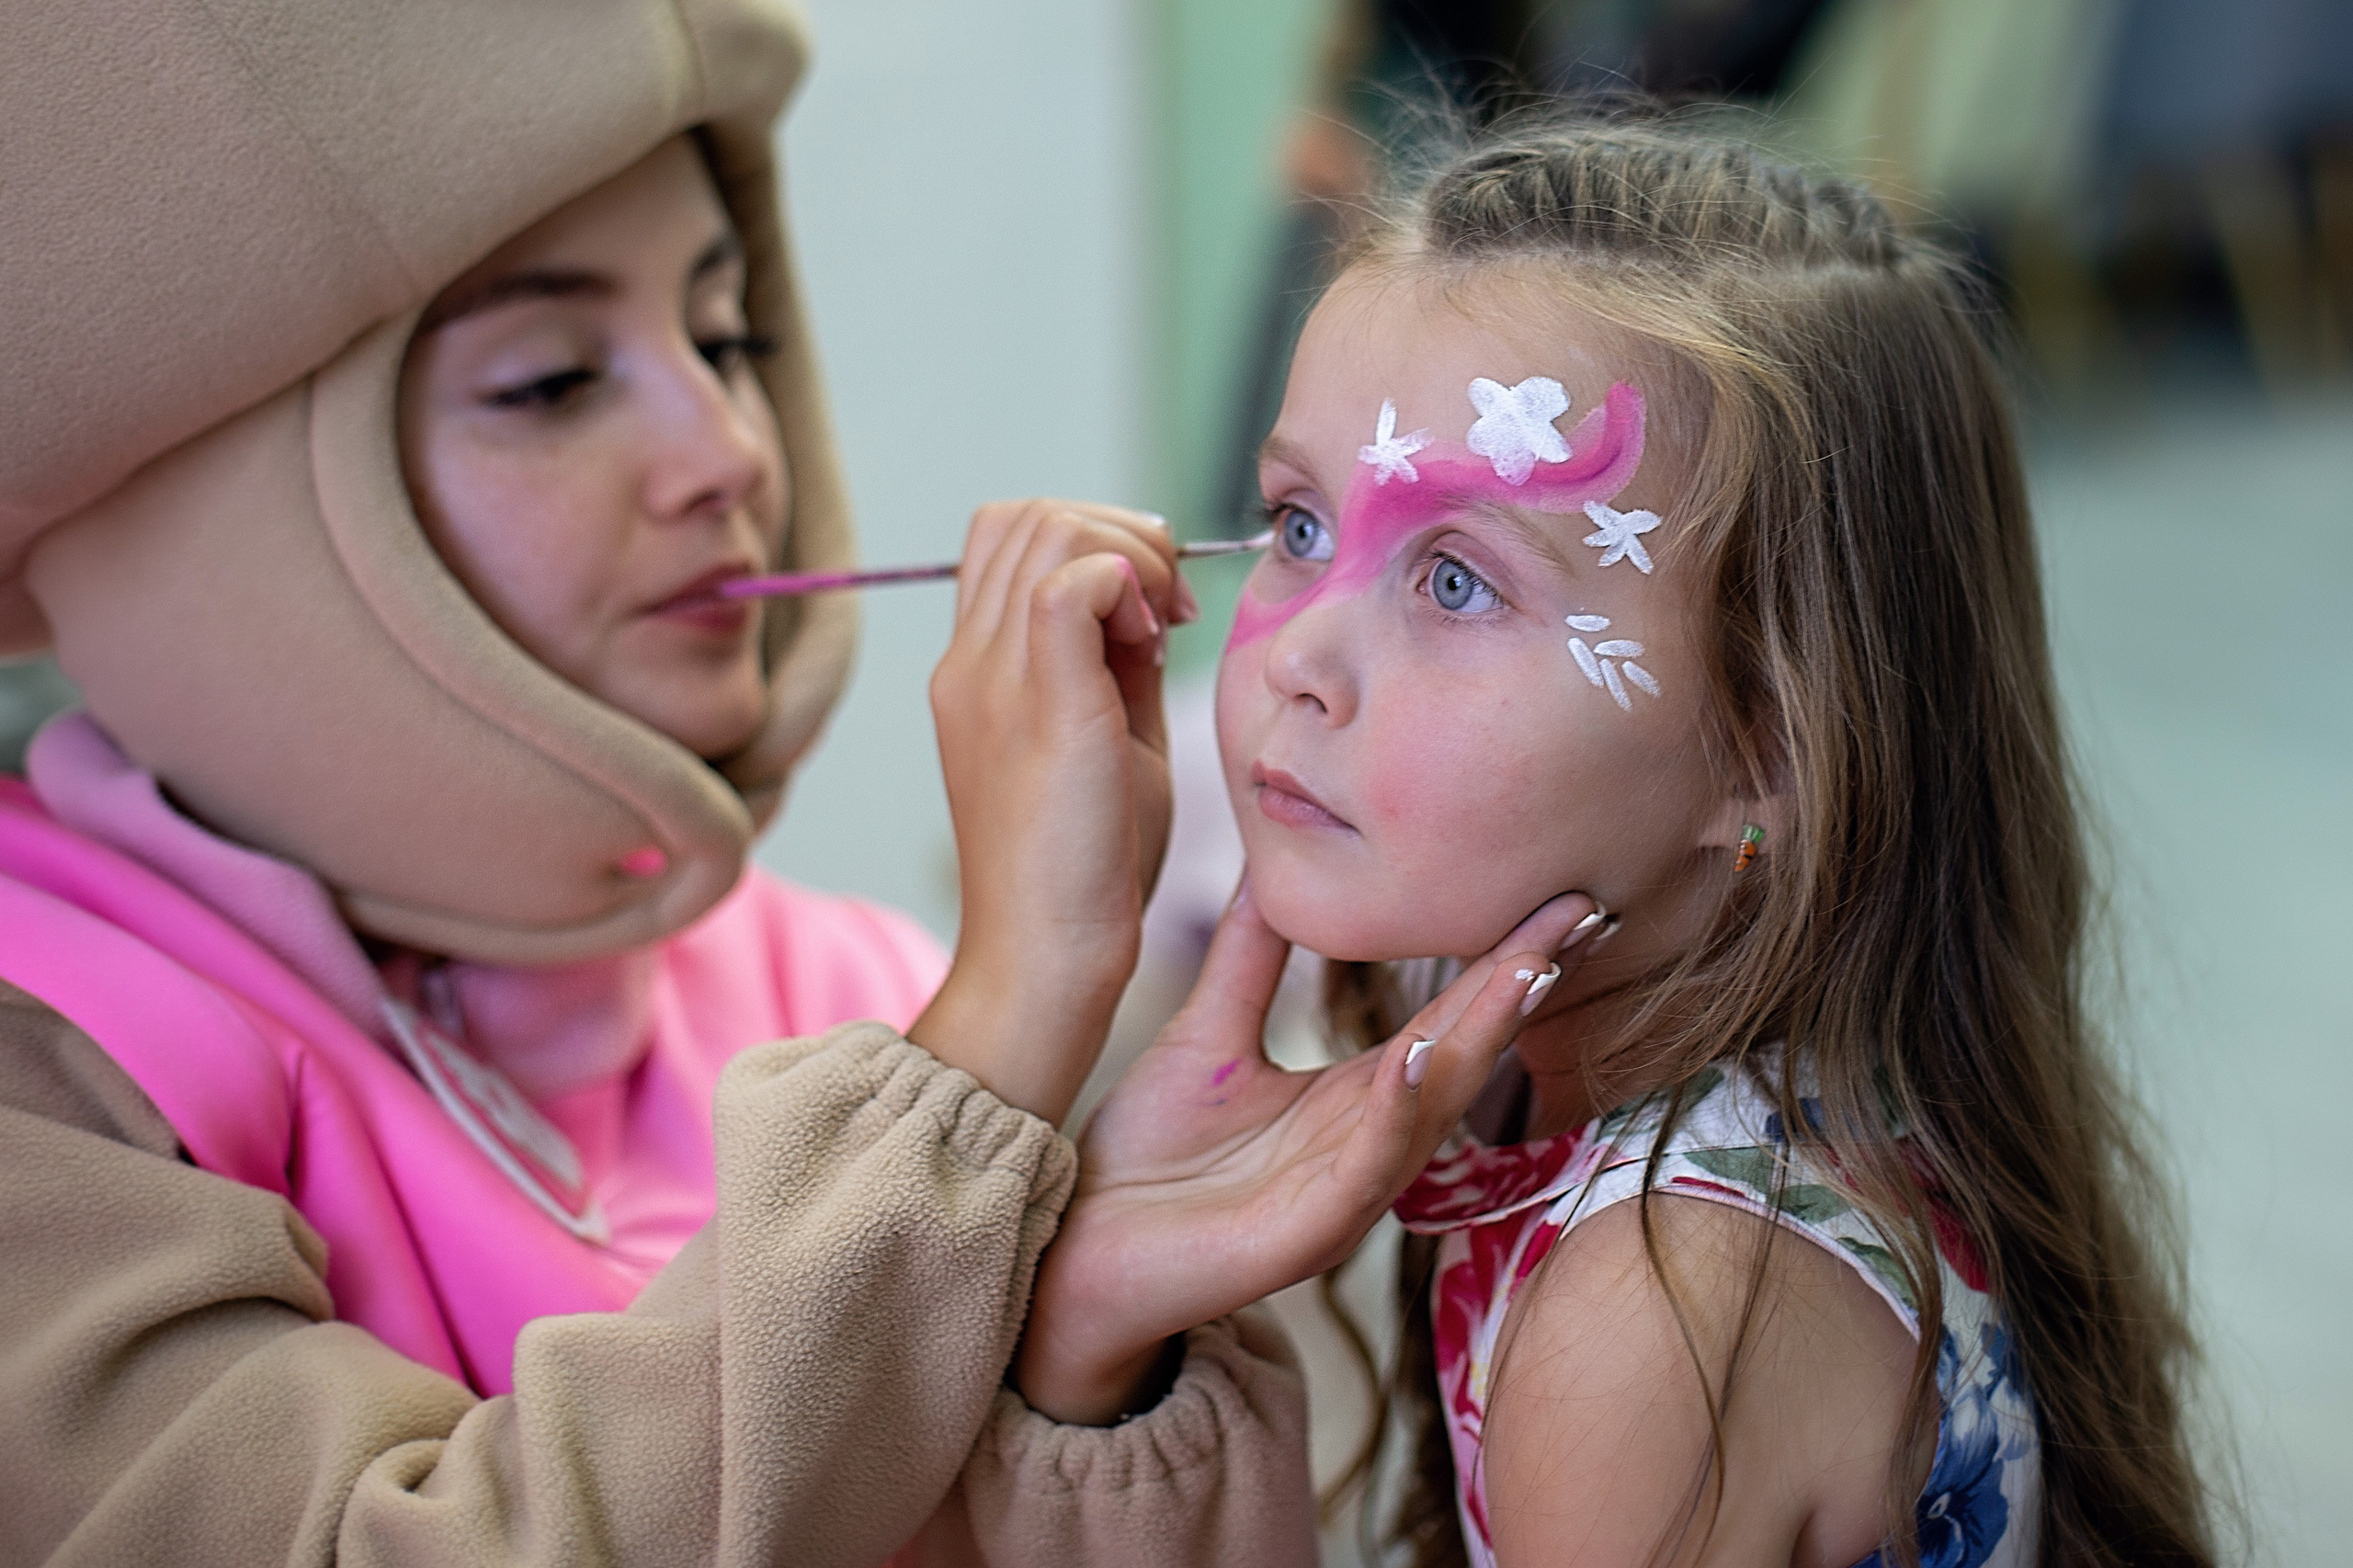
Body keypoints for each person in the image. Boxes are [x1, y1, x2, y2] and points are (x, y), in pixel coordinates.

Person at [0, 3, 1323, 1562]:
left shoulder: (852, 983)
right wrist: (991, 1048)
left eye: (729, 336)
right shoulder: (53, 1076)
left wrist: (1098, 1354)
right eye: (555, 379)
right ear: (211, 526)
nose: (729, 450)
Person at [1028, 112, 2217, 1567]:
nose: (1291, 658)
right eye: (1295, 525)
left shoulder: (1655, 1320)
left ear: (1774, 743)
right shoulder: (1672, 1071)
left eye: (1456, 580)